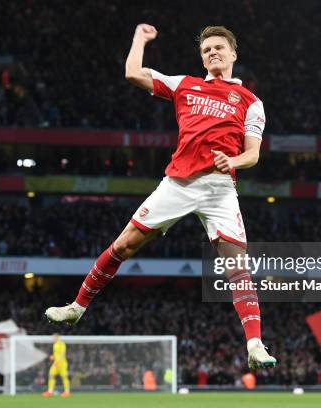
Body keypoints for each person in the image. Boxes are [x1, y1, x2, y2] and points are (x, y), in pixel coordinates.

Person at [46, 24, 276, 369]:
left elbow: (253, 153)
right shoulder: (185, 84)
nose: (212, 52)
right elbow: (133, 73)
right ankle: (76, 309)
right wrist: (139, 38)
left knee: (237, 267)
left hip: (219, 189)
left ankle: (256, 345)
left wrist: (234, 160)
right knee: (123, 246)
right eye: (206, 50)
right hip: (177, 184)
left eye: (218, 47)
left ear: (233, 54)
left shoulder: (251, 103)